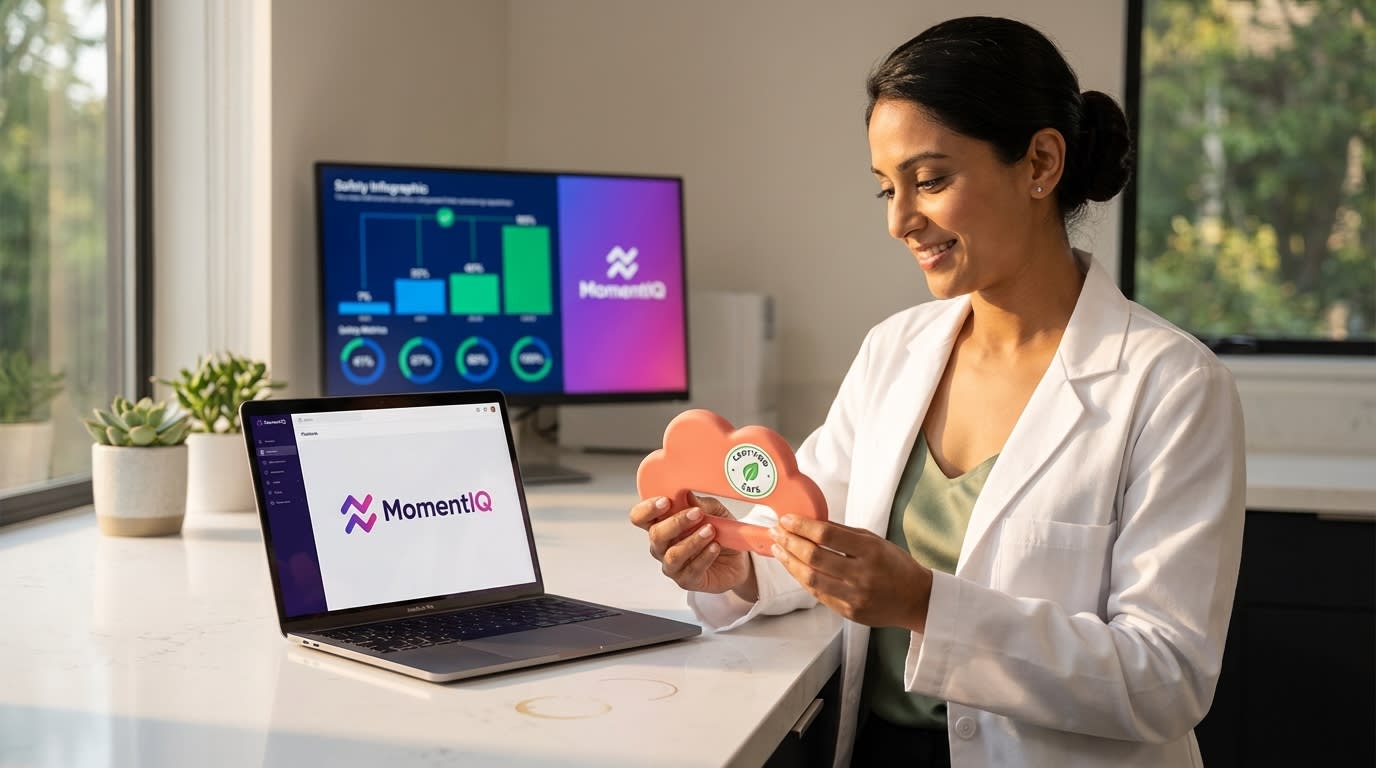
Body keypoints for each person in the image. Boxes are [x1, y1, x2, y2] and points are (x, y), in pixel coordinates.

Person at [629, 15, 1246, 768]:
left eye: (930, 181)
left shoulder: (1172, 386)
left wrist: (925, 604)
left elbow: (1166, 679)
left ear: (1041, 162)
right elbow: (812, 525)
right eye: (886, 189)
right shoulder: (895, 351)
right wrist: (742, 566)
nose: (900, 220)